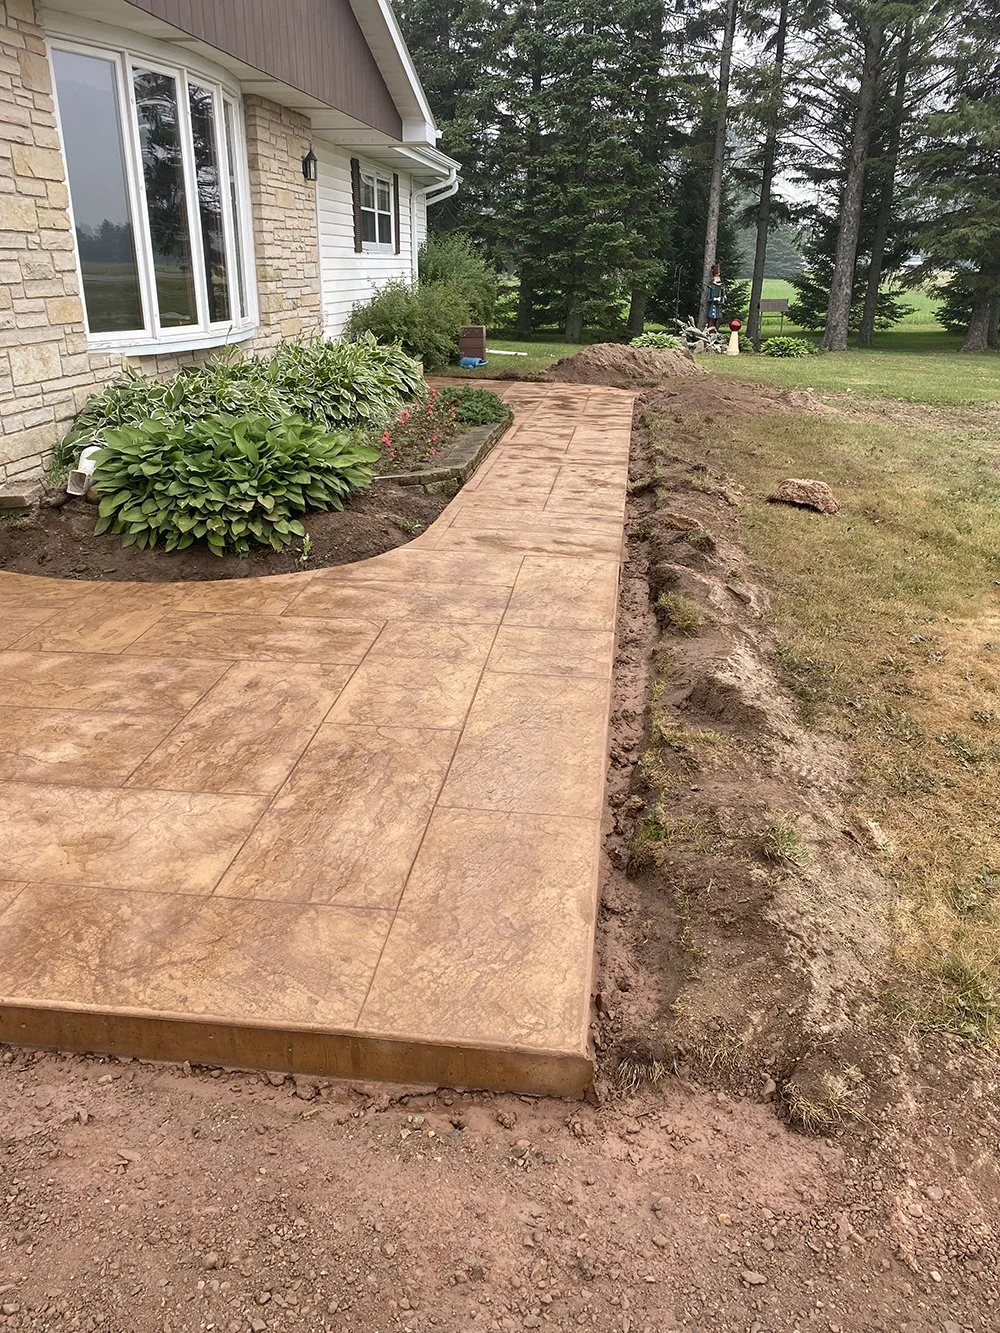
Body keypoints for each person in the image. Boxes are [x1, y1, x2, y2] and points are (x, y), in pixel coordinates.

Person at [706, 262, 724, 329]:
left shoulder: (721, 288)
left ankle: (716, 331)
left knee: (718, 319)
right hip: (712, 308)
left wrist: (721, 299)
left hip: (718, 308)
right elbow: (708, 299)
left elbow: (723, 297)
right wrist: (714, 299)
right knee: (711, 319)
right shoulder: (711, 288)